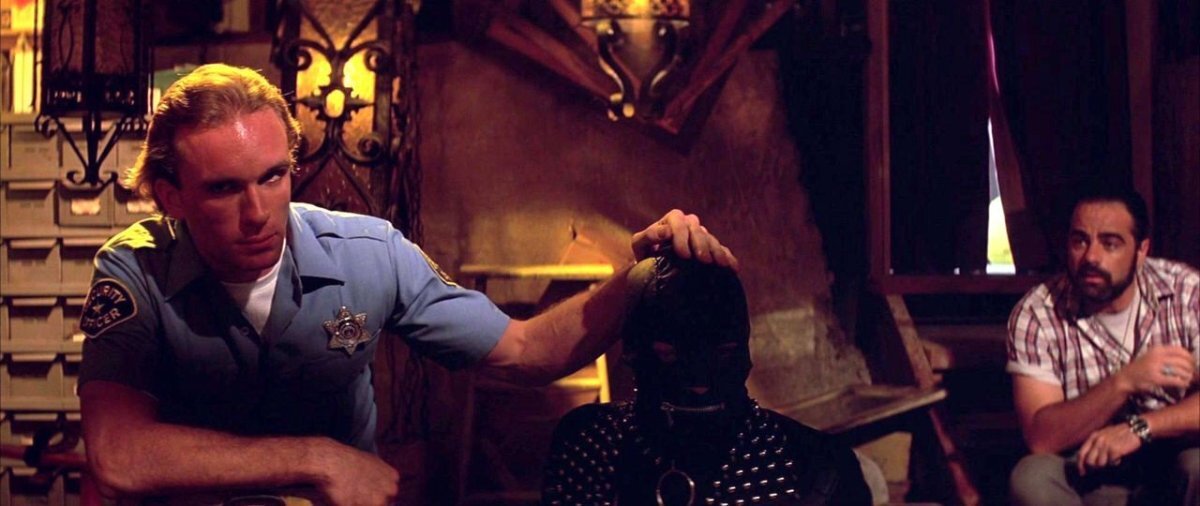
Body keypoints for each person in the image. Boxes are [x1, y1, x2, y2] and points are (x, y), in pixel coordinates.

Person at [77, 64, 738, 505]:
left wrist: (641, 274)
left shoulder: (369, 254)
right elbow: (119, 454)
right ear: (170, 196)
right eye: (224, 189)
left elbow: (526, 351)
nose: (258, 213)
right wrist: (318, 459)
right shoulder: (134, 270)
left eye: (273, 177)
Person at [541, 254, 870, 505]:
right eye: (669, 354)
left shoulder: (815, 465)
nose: (699, 383)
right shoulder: (589, 446)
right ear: (635, 349)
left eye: (723, 353)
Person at [1006, 185, 1199, 505]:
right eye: (1080, 241)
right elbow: (1041, 438)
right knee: (1031, 477)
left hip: (1172, 467)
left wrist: (1141, 428)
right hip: (1086, 471)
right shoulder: (1037, 312)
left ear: (1141, 250)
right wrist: (1124, 382)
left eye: (1110, 243)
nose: (1091, 257)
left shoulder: (1187, 292)